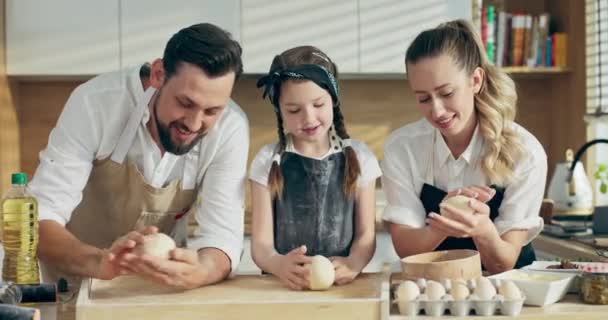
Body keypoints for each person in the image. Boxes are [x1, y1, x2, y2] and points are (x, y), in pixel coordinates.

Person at [29, 23, 249, 289]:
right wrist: (100, 261)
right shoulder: (95, 103)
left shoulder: (231, 128)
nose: (193, 123)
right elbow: (39, 219)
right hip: (71, 285)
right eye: (185, 103)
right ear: (158, 74)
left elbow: (223, 235)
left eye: (211, 111)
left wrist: (203, 270)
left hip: (155, 292)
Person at [382, 20, 547, 273]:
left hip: (509, 294)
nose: (437, 110)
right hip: (432, 289)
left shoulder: (524, 152)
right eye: (423, 98)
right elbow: (406, 250)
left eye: (447, 93)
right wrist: (441, 224)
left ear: (476, 80)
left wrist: (483, 230)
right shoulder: (402, 148)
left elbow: (502, 262)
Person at [249, 46, 381, 290]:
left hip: (343, 287)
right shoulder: (267, 160)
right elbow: (261, 245)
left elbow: (366, 236)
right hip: (285, 287)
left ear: (334, 99)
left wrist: (353, 262)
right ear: (279, 111)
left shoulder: (361, 157)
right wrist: (278, 264)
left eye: (318, 104)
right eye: (294, 110)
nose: (308, 118)